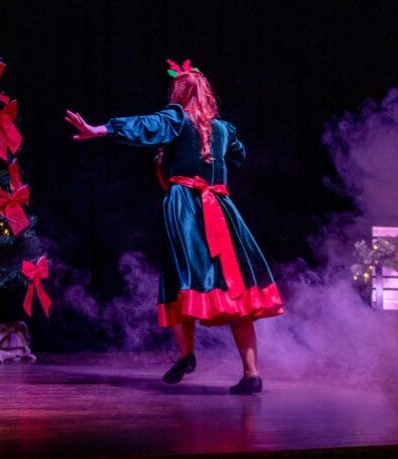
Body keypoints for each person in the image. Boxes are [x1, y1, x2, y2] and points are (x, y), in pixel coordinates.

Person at [64, 59, 284, 394]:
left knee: (179, 276)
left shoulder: (176, 118)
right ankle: (251, 373)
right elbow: (238, 156)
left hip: (187, 206)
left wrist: (101, 129)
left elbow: (146, 125)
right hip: (221, 208)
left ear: (179, 94)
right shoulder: (224, 129)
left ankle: (186, 354)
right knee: (234, 283)